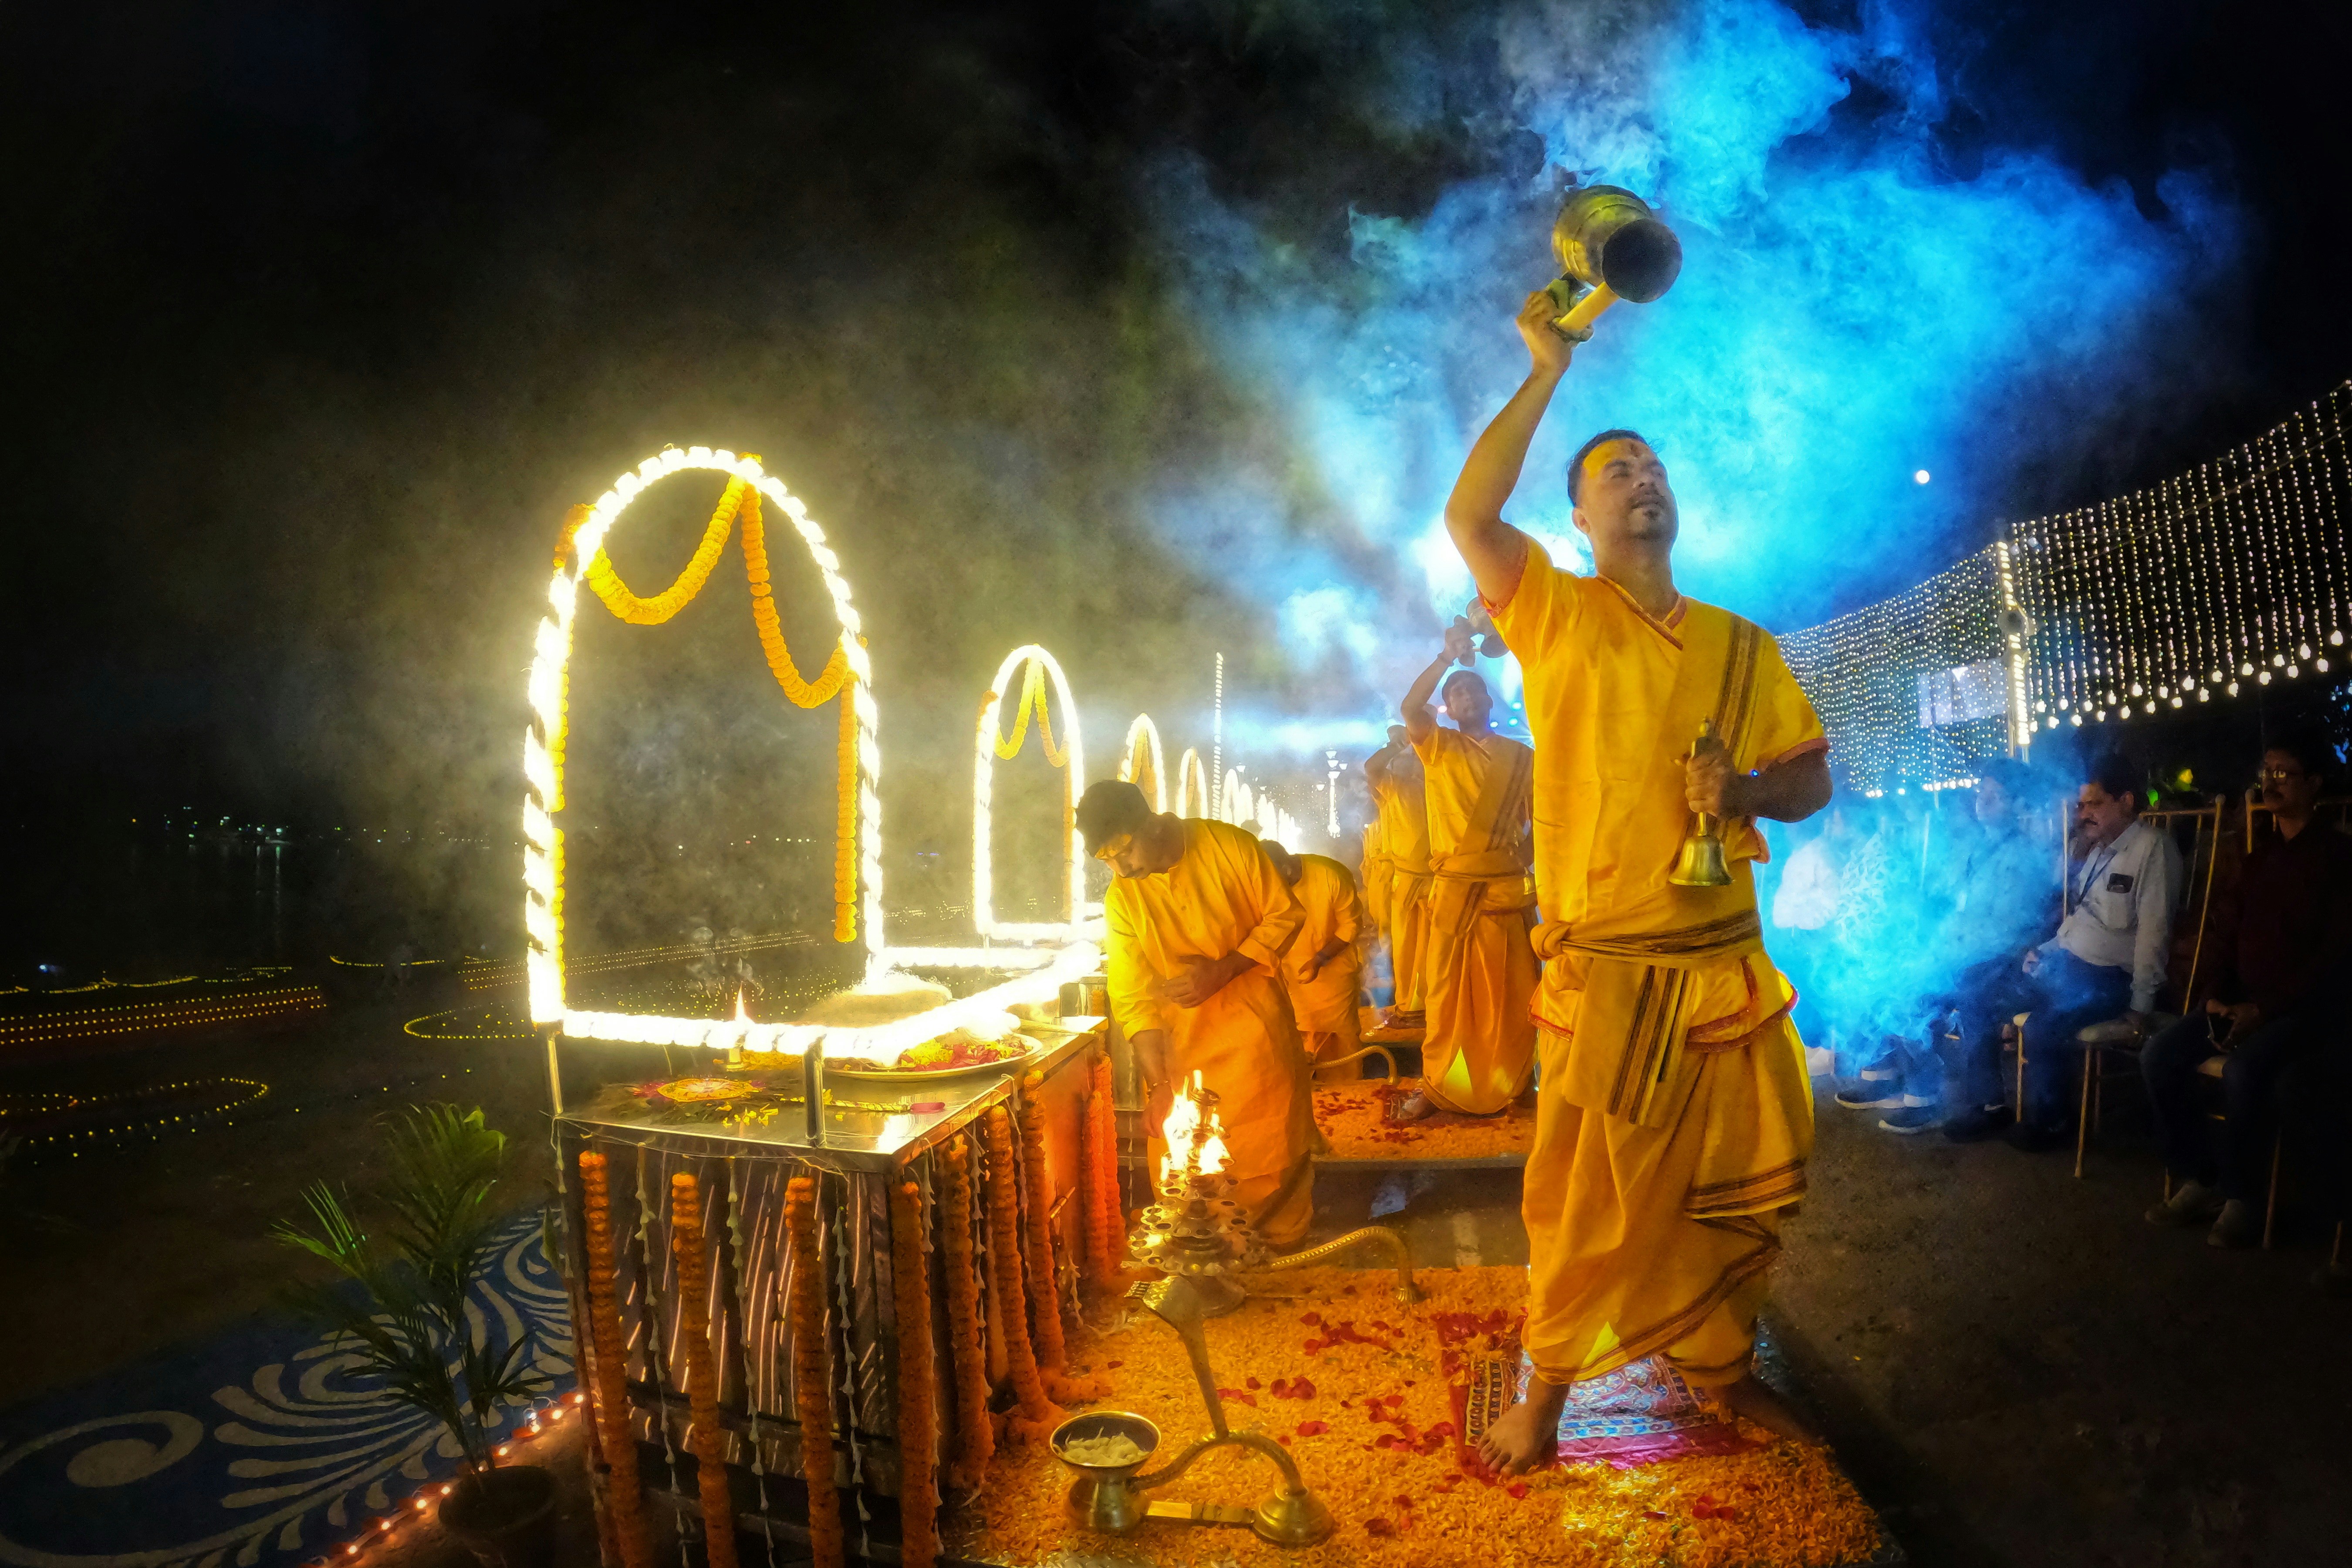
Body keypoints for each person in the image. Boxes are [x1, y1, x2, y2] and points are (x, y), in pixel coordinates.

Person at [1441, 290, 1833, 1471]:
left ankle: (1717, 1368)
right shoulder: (1556, 613)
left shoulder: (1740, 643)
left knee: (1743, 1191)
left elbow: (1810, 776)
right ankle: (1545, 1400)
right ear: (1576, 516)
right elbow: (1468, 511)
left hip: (1726, 969)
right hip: (1616, 972)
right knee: (1592, 1202)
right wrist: (1546, 370)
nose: (1641, 480)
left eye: (1653, 467)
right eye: (1615, 472)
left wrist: (1747, 797)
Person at [1080, 779, 1318, 1246]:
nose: (1119, 868)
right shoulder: (1122, 898)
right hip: (1182, 1047)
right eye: (1105, 859)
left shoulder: (1229, 846)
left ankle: (1283, 1264)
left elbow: (1284, 916)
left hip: (1255, 1033)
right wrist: (1159, 1086)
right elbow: (1133, 997)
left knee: (1268, 1155)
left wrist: (1224, 970)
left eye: (1123, 852)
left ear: (1153, 826)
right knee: (1184, 1165)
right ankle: (1204, 1266)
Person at [2142, 736, 2352, 1246]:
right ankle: (2202, 1176)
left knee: (2244, 1071)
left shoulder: (2338, 857)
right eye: (2267, 773)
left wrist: (2265, 1008)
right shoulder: (2259, 859)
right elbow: (2224, 931)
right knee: (2159, 1055)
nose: (2271, 783)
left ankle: (2246, 1196)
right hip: (2239, 1001)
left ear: (2314, 785)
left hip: (2302, 1011)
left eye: (2284, 773)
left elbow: (2334, 957)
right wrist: (2212, 994)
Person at [1940, 756, 2179, 1149]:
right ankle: (1989, 1105)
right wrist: (2043, 949)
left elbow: (2155, 934)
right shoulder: (2095, 851)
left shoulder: (2153, 850)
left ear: (2127, 802)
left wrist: (2141, 1003)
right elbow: (2071, 909)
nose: (2084, 813)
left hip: (2108, 978)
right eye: (2081, 806)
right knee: (1976, 991)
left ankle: (2052, 1122)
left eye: (2094, 805)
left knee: (2043, 1025)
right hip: (2063, 963)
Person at [1870, 762, 2058, 1135]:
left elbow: (2008, 927)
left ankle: (1989, 1105)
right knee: (1901, 985)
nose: (1982, 802)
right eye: (1980, 794)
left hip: (2006, 961)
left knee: (1973, 994)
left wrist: (1953, 951)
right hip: (1965, 953)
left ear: (2018, 802)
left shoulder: (2025, 855)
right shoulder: (1974, 846)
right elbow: (1951, 902)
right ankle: (1924, 1096)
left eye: (1994, 796)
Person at [1392, 643, 1538, 1119]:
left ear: (1490, 701)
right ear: (1448, 710)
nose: (1465, 695)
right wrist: (1446, 658)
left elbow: (1542, 823)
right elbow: (1411, 707)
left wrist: (1517, 858)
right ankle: (1440, 1086)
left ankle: (1514, 1083)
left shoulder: (1521, 759)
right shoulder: (1439, 747)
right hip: (1454, 891)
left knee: (1512, 996)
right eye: (1456, 693)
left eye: (1473, 688)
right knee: (1446, 997)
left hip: (1504, 891)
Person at [1261, 838, 1371, 1077]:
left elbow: (1350, 926)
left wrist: (1320, 959)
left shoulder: (1331, 875)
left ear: (1287, 869)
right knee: (1300, 1041)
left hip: (1334, 978)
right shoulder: (1267, 884)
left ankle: (1350, 1098)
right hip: (1291, 977)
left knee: (1341, 1041)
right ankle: (1315, 1102)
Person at [1365, 726, 1433, 1028]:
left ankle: (1436, 1007)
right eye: (1404, 759)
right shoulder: (1394, 787)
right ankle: (1408, 1006)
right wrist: (1396, 744)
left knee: (1437, 951)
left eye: (1415, 757)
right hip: (1404, 879)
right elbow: (1373, 768)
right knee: (1403, 947)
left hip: (1441, 878)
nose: (1410, 763)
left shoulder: (1439, 783)